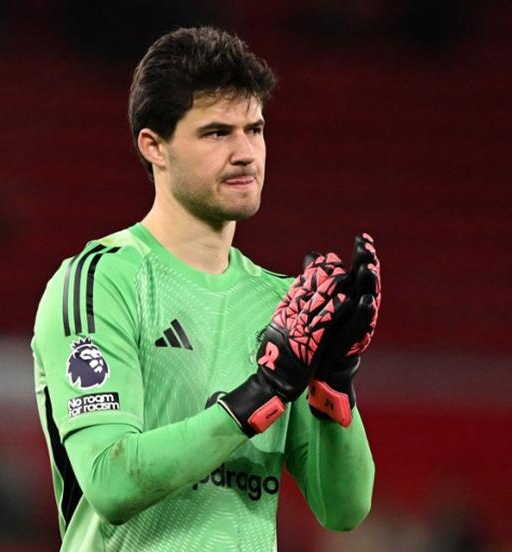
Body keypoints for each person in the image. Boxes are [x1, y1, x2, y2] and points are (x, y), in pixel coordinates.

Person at [31, 26, 381, 551]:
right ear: (155, 146)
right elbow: (110, 480)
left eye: (255, 129)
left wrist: (333, 378)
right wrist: (263, 391)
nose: (246, 153)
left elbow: (343, 508)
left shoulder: (284, 305)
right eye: (217, 132)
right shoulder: (101, 281)